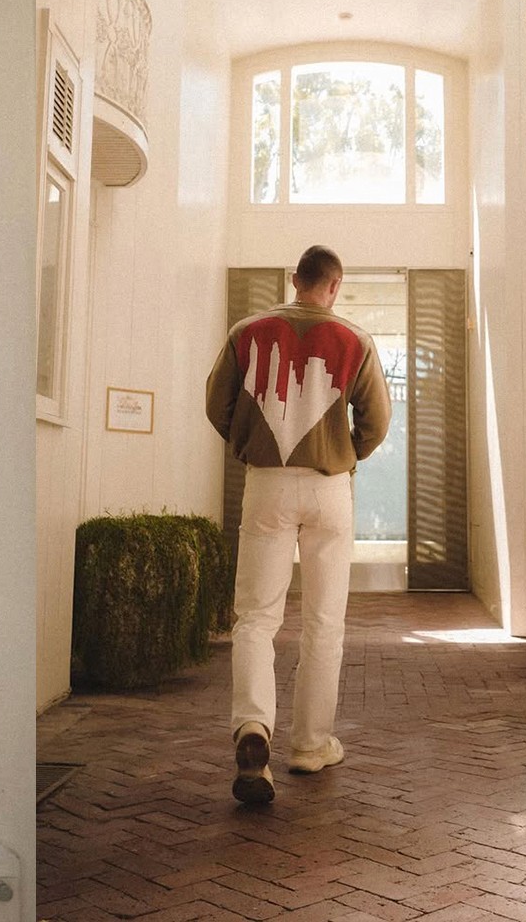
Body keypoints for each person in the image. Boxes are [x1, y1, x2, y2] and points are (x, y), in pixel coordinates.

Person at [204, 245, 390, 805]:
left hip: (267, 481)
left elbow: (217, 405)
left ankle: (253, 730)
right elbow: (377, 422)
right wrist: (343, 451)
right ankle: (310, 745)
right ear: (335, 286)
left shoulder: (248, 331)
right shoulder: (356, 340)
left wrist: (246, 444)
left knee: (256, 619)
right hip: (330, 485)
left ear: (294, 281)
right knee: (324, 622)